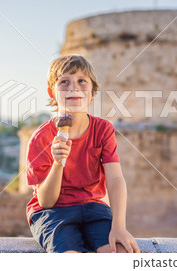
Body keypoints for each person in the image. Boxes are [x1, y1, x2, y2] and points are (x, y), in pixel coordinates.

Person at [25, 54, 140, 253]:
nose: (74, 88)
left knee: (121, 252)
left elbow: (115, 180)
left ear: (92, 92)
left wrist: (119, 226)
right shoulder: (40, 138)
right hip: (52, 212)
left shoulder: (103, 129)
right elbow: (45, 201)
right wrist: (57, 162)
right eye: (64, 82)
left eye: (81, 81)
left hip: (93, 208)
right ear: (52, 93)